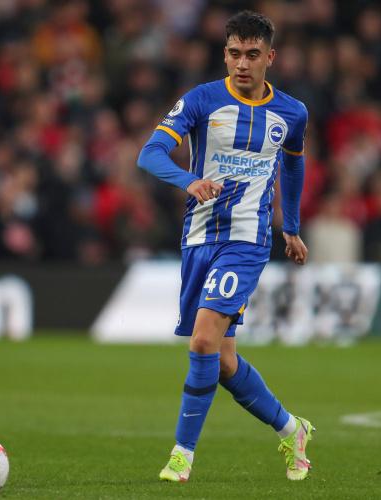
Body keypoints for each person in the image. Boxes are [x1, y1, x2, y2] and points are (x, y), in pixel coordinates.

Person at [137, 11, 314, 482]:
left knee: (202, 340)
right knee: (223, 361)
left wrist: (291, 227)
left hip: (247, 240)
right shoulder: (202, 100)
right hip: (198, 237)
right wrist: (189, 180)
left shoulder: (292, 113)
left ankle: (182, 455)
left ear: (270, 57)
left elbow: (293, 164)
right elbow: (149, 153)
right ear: (225, 54)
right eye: (235, 53)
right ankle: (292, 429)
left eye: (252, 54)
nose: (242, 63)